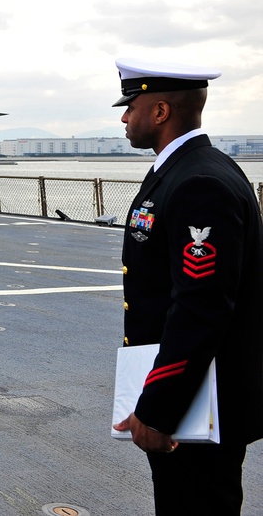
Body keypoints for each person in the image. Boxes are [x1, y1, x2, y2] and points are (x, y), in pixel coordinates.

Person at [109, 58, 263, 514]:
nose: (123, 117)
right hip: (191, 397)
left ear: (159, 112)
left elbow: (201, 308)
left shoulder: (199, 182)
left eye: (130, 105)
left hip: (199, 406)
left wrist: (158, 408)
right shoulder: (183, 169)